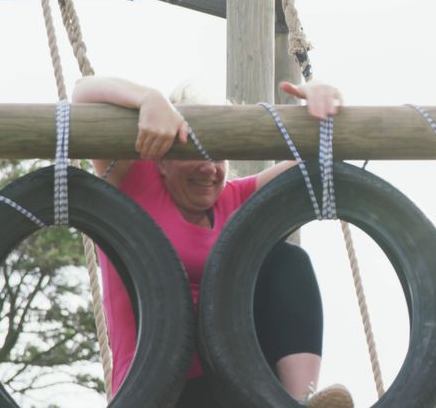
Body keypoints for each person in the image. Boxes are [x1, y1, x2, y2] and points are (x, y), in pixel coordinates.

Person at [72, 76, 353, 408]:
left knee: (288, 260)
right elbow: (82, 95)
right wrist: (149, 99)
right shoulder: (133, 184)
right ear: (161, 159)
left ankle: (297, 402)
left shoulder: (237, 200)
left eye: (218, 155)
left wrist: (325, 105)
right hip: (159, 388)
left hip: (235, 382)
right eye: (193, 151)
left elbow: (322, 166)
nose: (208, 168)